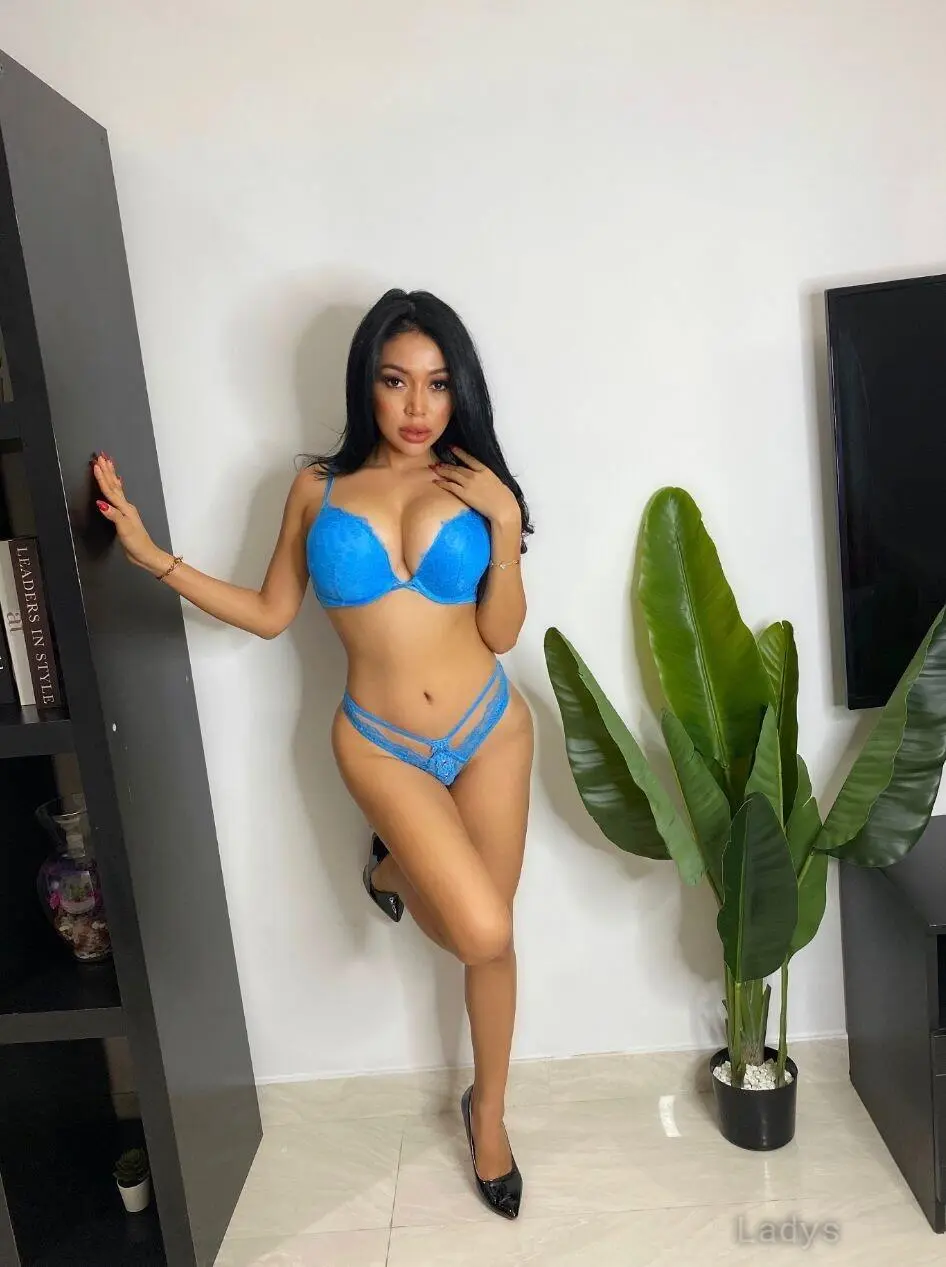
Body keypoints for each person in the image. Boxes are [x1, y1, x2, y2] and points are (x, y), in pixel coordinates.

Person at [92, 289, 535, 1220]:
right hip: (380, 744)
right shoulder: (316, 489)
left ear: (459, 391)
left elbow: (500, 633)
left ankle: (487, 1114)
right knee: (478, 928)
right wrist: (151, 555)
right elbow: (269, 613)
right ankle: (393, 858)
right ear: (365, 384)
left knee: (491, 942)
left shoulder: (476, 485)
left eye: (438, 384)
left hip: (491, 727)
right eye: (396, 381)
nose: (418, 406)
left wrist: (504, 526)